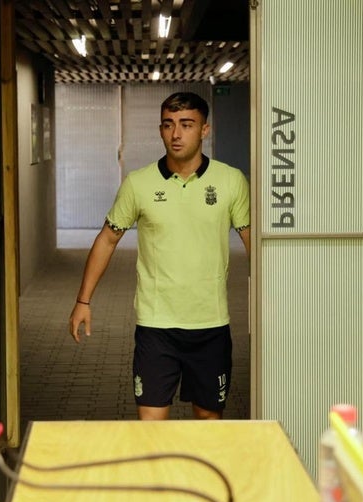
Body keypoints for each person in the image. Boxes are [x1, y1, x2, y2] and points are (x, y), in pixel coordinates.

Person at [68, 92, 250, 421]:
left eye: (186, 124)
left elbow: (254, 243)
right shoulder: (138, 184)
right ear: (160, 129)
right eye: (168, 125)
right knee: (151, 426)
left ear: (204, 130)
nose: (176, 134)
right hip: (156, 326)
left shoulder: (231, 181)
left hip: (210, 324)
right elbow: (108, 239)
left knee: (209, 421)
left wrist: (278, 301)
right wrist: (83, 301)